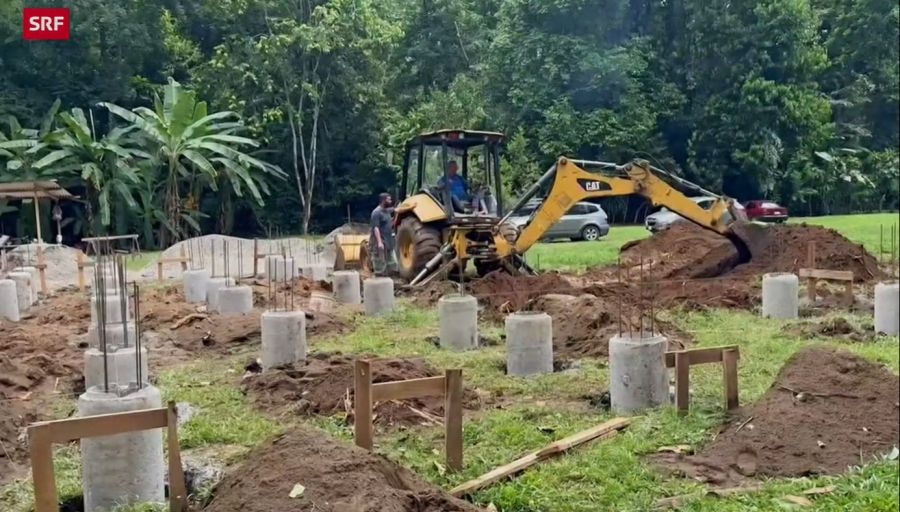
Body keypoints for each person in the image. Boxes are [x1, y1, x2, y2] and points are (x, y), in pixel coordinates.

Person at [369, 192, 397, 275]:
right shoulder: (376, 212)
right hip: (379, 242)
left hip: (388, 241)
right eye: (389, 199)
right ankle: (379, 282)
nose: (391, 201)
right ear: (383, 200)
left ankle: (391, 282)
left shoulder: (387, 211)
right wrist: (379, 242)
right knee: (379, 265)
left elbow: (396, 210)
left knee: (393, 264)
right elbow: (376, 228)